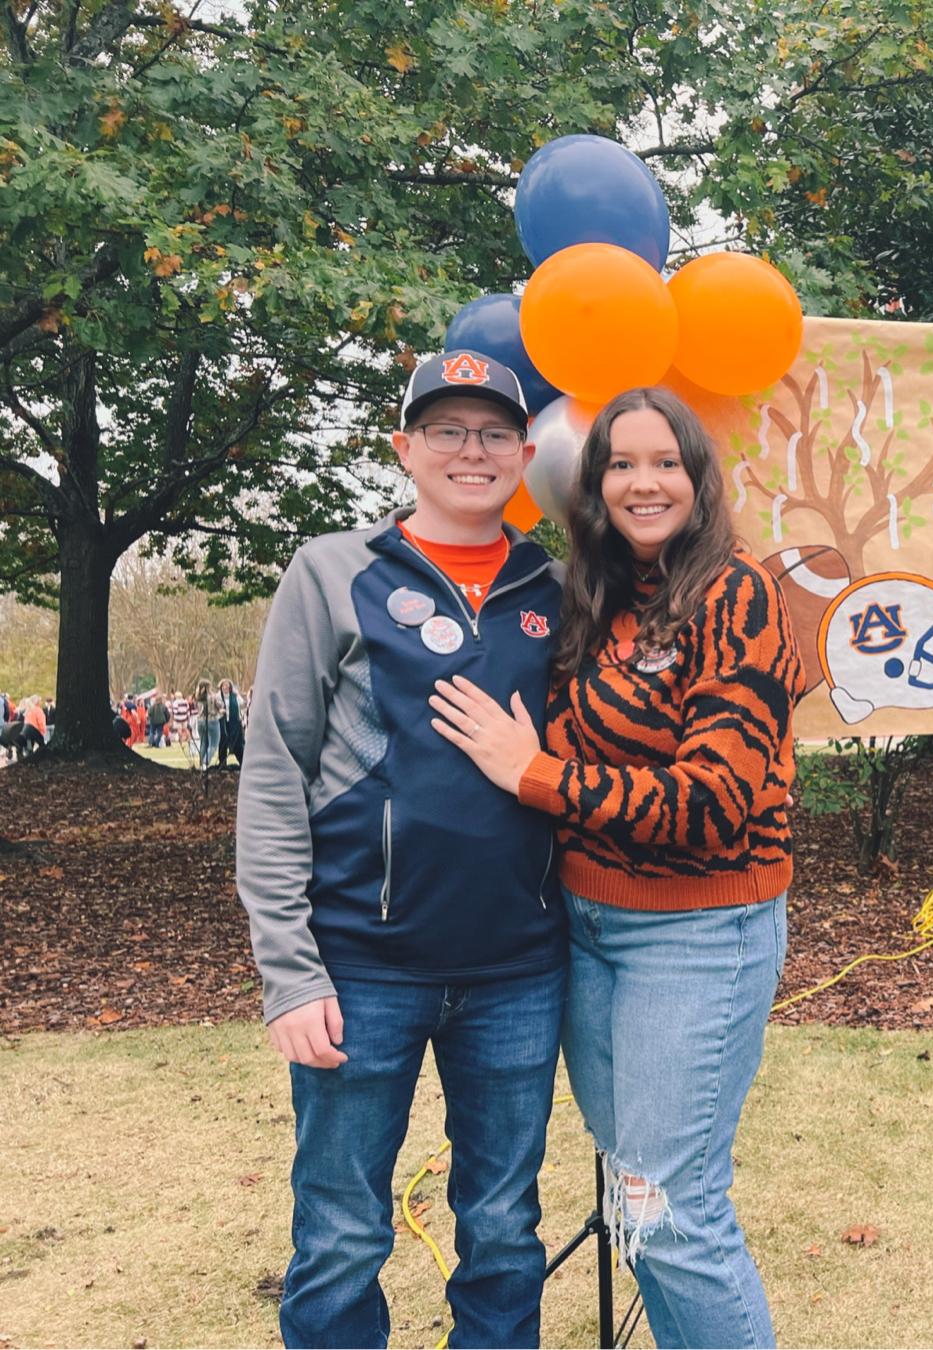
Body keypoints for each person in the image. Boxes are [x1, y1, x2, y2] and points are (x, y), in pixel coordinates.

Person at [432, 386, 806, 1350]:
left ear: (698, 477)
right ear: (594, 487)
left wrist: (537, 776)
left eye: (665, 462)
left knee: (673, 1211)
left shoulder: (738, 594)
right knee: (634, 1196)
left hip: (698, 935)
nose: (644, 483)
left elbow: (713, 803)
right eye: (621, 465)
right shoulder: (594, 599)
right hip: (588, 932)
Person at [237, 351, 566, 1349]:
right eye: (446, 431)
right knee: (340, 1232)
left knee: (504, 1230)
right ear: (404, 449)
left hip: (519, 973)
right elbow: (274, 774)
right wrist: (290, 976)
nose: (472, 451)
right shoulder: (332, 572)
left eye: (494, 433)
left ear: (527, 453)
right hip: (359, 971)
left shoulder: (561, 585)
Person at [194, 678, 222, 769]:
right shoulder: (213, 696)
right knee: (213, 744)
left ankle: (201, 764)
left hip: (200, 721)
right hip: (212, 720)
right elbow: (219, 706)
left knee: (203, 743)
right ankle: (206, 763)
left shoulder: (197, 697)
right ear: (209, 686)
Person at [218, 679, 245, 767]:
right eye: (223, 686)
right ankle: (222, 763)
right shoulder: (218, 696)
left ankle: (242, 762)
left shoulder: (235, 696)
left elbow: (242, 705)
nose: (225, 687)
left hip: (234, 722)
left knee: (237, 742)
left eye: (227, 686)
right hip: (223, 722)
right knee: (223, 742)